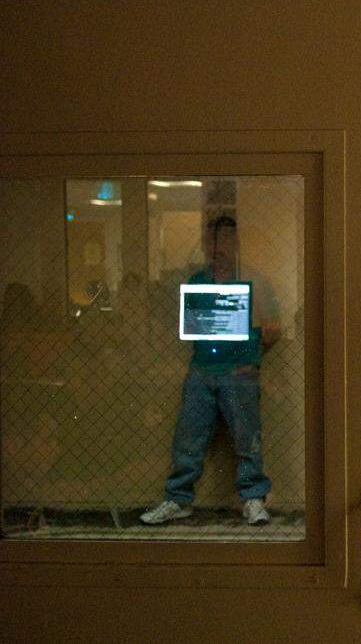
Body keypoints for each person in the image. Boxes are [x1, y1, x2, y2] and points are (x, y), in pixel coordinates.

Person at [141, 215, 280, 526]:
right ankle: (178, 499)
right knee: (189, 436)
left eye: (226, 240)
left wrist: (250, 358)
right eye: (214, 241)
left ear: (237, 244)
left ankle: (253, 498)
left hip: (238, 371)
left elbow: (273, 329)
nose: (219, 248)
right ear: (206, 245)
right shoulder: (197, 282)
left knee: (246, 438)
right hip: (203, 368)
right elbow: (189, 326)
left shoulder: (255, 281)